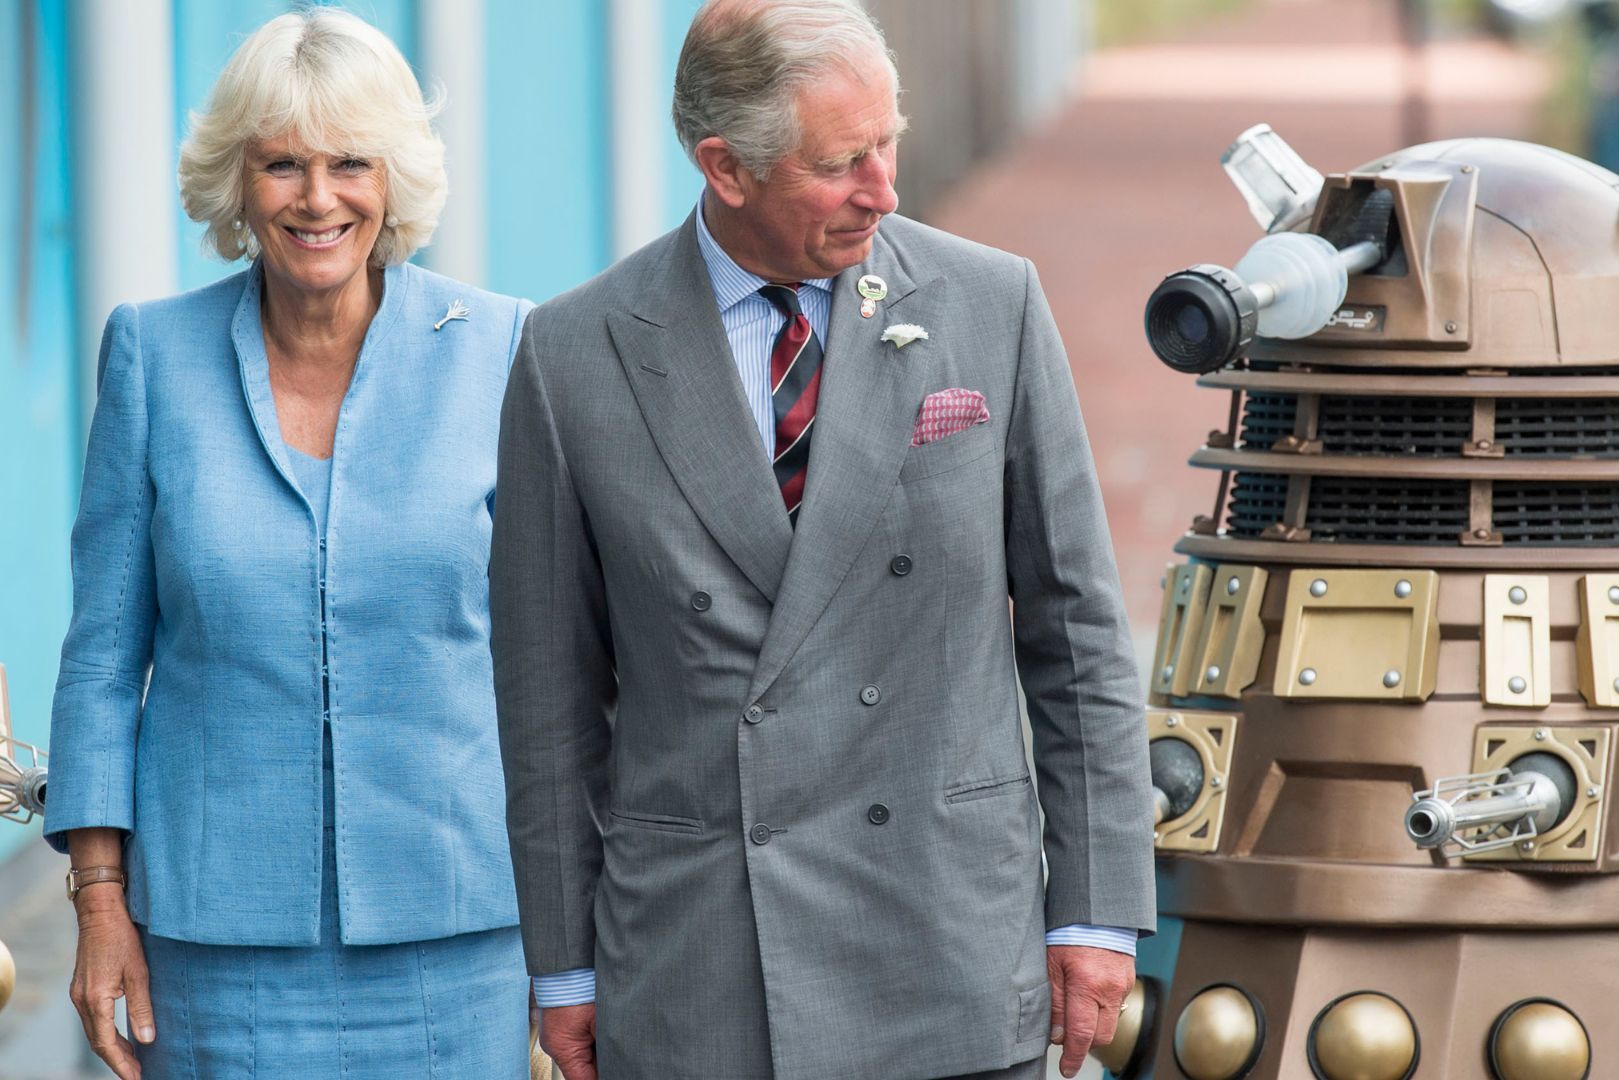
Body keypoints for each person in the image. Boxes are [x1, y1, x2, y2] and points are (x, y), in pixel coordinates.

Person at [491, 1, 1155, 1078]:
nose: (883, 190)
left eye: (889, 142)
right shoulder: (572, 355)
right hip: (704, 962)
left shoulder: (992, 304)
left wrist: (1094, 909)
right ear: (726, 167)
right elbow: (548, 701)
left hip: (946, 941)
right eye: (842, 163)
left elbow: (1076, 634)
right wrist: (564, 966)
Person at [43, 10, 531, 1078]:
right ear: (238, 179)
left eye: (350, 162)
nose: (318, 197)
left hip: (455, 939)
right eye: (282, 165)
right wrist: (99, 900)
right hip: (214, 952)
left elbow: (560, 660)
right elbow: (101, 659)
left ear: (393, 176)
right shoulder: (152, 354)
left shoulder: (501, 349)